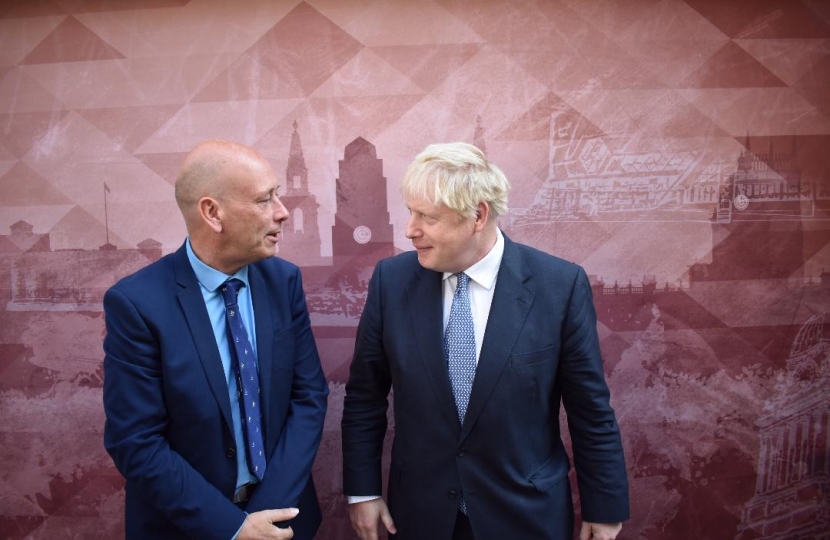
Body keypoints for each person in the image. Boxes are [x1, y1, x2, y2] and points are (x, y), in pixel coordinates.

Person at [341, 142, 629, 540]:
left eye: (427, 216)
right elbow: (364, 396)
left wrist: (605, 506)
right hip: (421, 516)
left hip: (525, 515)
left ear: (478, 215)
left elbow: (590, 409)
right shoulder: (391, 282)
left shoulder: (558, 285)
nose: (411, 230)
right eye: (411, 212)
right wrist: (362, 491)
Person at [103, 140, 329, 540]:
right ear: (212, 213)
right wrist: (233, 529)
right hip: (187, 527)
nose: (282, 212)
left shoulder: (284, 281)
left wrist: (264, 516)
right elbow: (135, 440)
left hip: (283, 523)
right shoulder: (137, 304)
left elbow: (308, 396)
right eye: (264, 200)